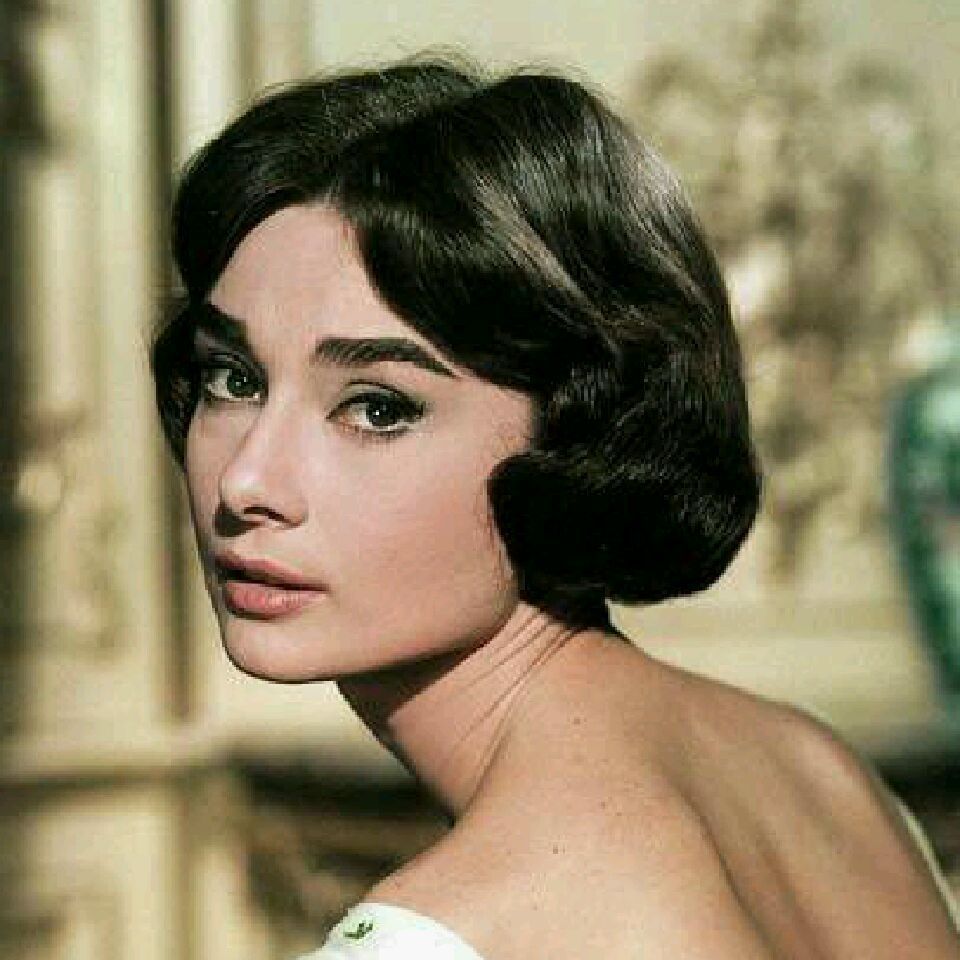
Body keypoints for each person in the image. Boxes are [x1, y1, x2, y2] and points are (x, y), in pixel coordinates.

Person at [150, 57, 959, 959]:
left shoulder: (445, 933)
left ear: (577, 436)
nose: (246, 482)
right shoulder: (821, 773)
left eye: (377, 408)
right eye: (235, 379)